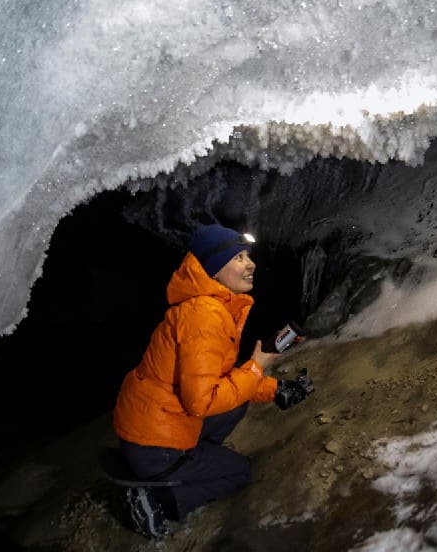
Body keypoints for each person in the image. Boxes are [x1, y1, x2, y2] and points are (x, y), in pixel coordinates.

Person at [111, 224, 314, 538]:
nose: (251, 264)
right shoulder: (206, 317)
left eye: (248, 256)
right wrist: (257, 368)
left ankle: (186, 460)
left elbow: (220, 378)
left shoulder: (209, 305)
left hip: (148, 423)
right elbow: (202, 400)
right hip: (154, 443)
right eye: (239, 258)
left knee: (236, 404)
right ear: (214, 270)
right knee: (239, 472)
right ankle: (156, 497)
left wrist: (274, 389)